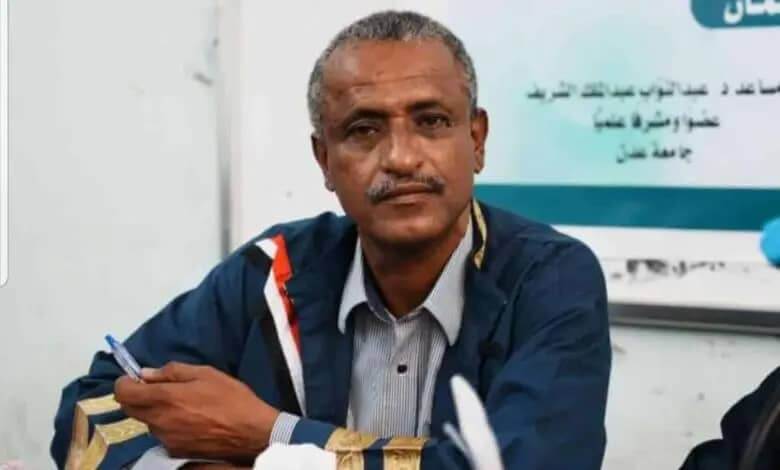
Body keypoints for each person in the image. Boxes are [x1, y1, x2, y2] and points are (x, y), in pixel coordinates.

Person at [51, 10, 611, 469]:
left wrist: (270, 436)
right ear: (324, 159)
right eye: (364, 130)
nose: (401, 157)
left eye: (432, 122)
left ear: (477, 139)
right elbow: (89, 408)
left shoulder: (549, 279)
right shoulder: (274, 272)